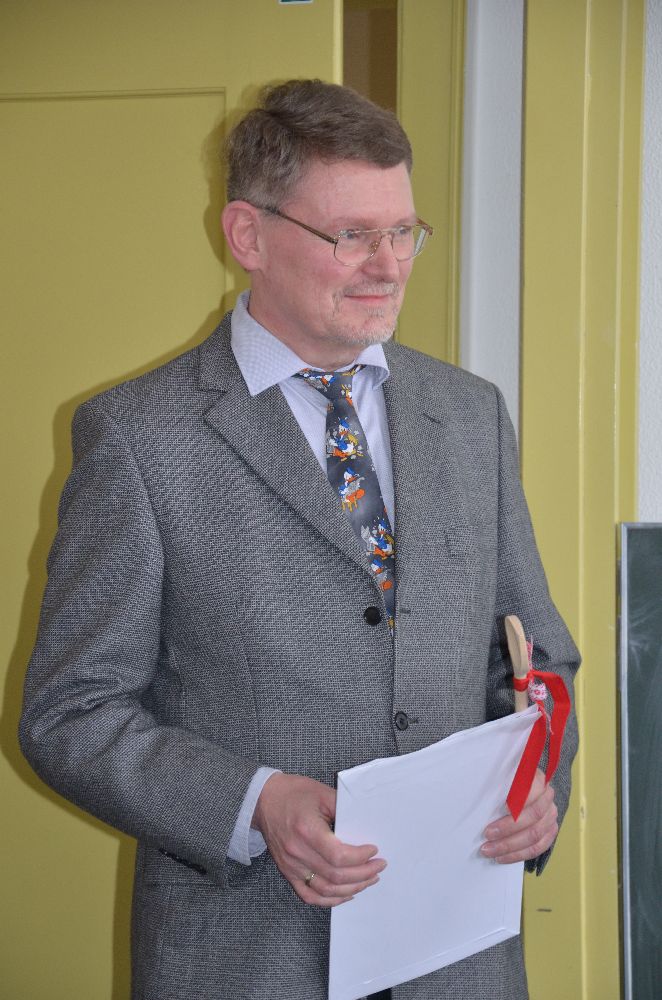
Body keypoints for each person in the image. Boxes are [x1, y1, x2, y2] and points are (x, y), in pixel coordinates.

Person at [20, 79, 580, 1000]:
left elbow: (536, 657)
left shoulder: (470, 414)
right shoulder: (137, 438)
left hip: (461, 963)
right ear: (248, 235)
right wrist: (252, 803)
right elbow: (70, 714)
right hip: (247, 960)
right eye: (352, 235)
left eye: (403, 232)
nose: (388, 266)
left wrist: (537, 786)